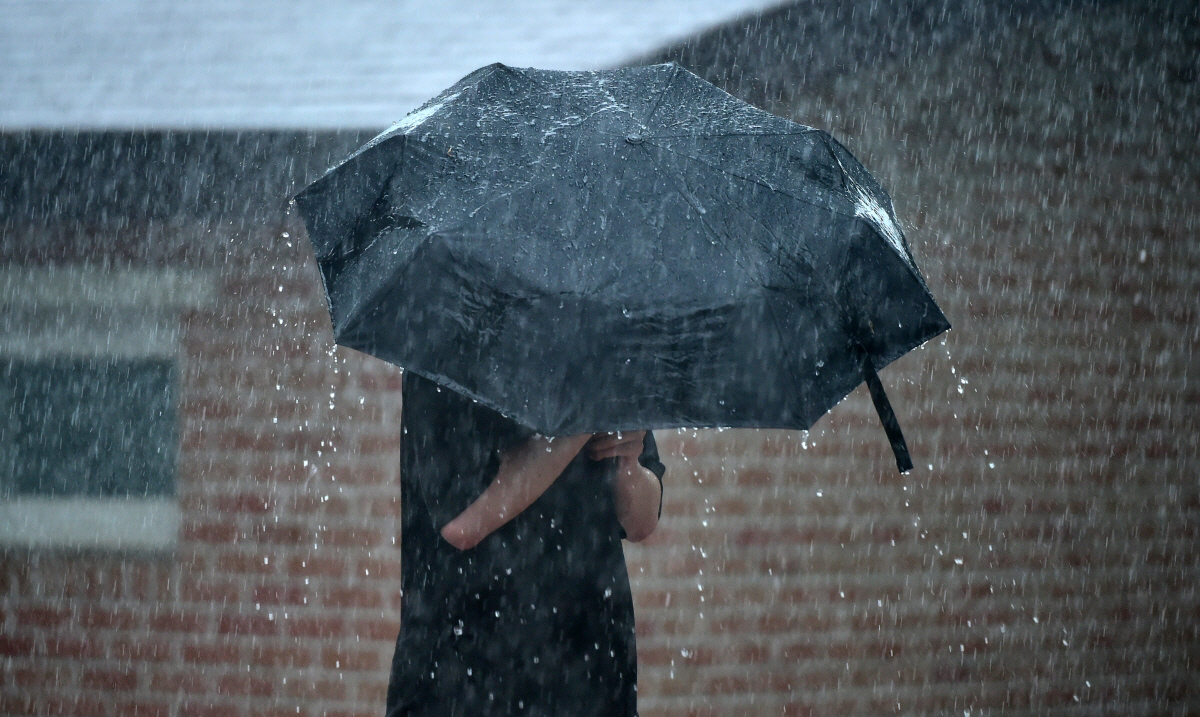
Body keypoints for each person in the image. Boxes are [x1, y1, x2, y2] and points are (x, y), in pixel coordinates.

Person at [385, 371, 665, 717]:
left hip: (592, 671)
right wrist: (582, 420)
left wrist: (628, 463)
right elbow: (463, 522)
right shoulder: (448, 345)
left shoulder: (604, 350)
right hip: (465, 675)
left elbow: (642, 520)